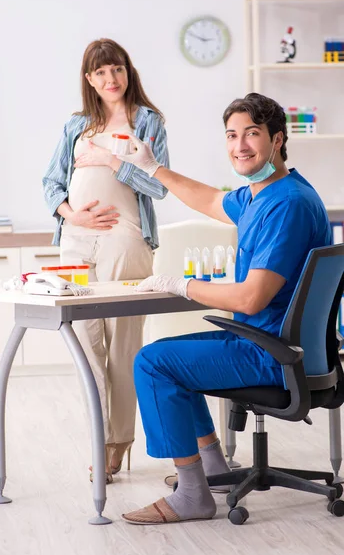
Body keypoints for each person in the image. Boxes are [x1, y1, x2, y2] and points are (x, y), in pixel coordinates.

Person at [115, 92, 332, 524]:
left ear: (277, 140)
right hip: (277, 343)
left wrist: (183, 285)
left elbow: (251, 298)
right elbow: (212, 201)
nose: (240, 145)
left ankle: (192, 495)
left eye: (252, 133)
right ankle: (212, 466)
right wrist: (152, 167)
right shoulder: (265, 194)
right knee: (172, 356)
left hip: (272, 354)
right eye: (232, 135)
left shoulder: (285, 205)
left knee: (154, 363)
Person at [43, 38, 169, 483]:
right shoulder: (76, 124)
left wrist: (111, 161)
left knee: (122, 347)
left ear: (127, 70)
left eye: (116, 69)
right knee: (86, 347)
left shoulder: (147, 121)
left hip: (125, 239)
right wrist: (72, 213)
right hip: (76, 242)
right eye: (100, 73)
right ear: (89, 79)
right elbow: (50, 183)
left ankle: (117, 446)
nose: (110, 79)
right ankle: (100, 437)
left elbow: (158, 186)